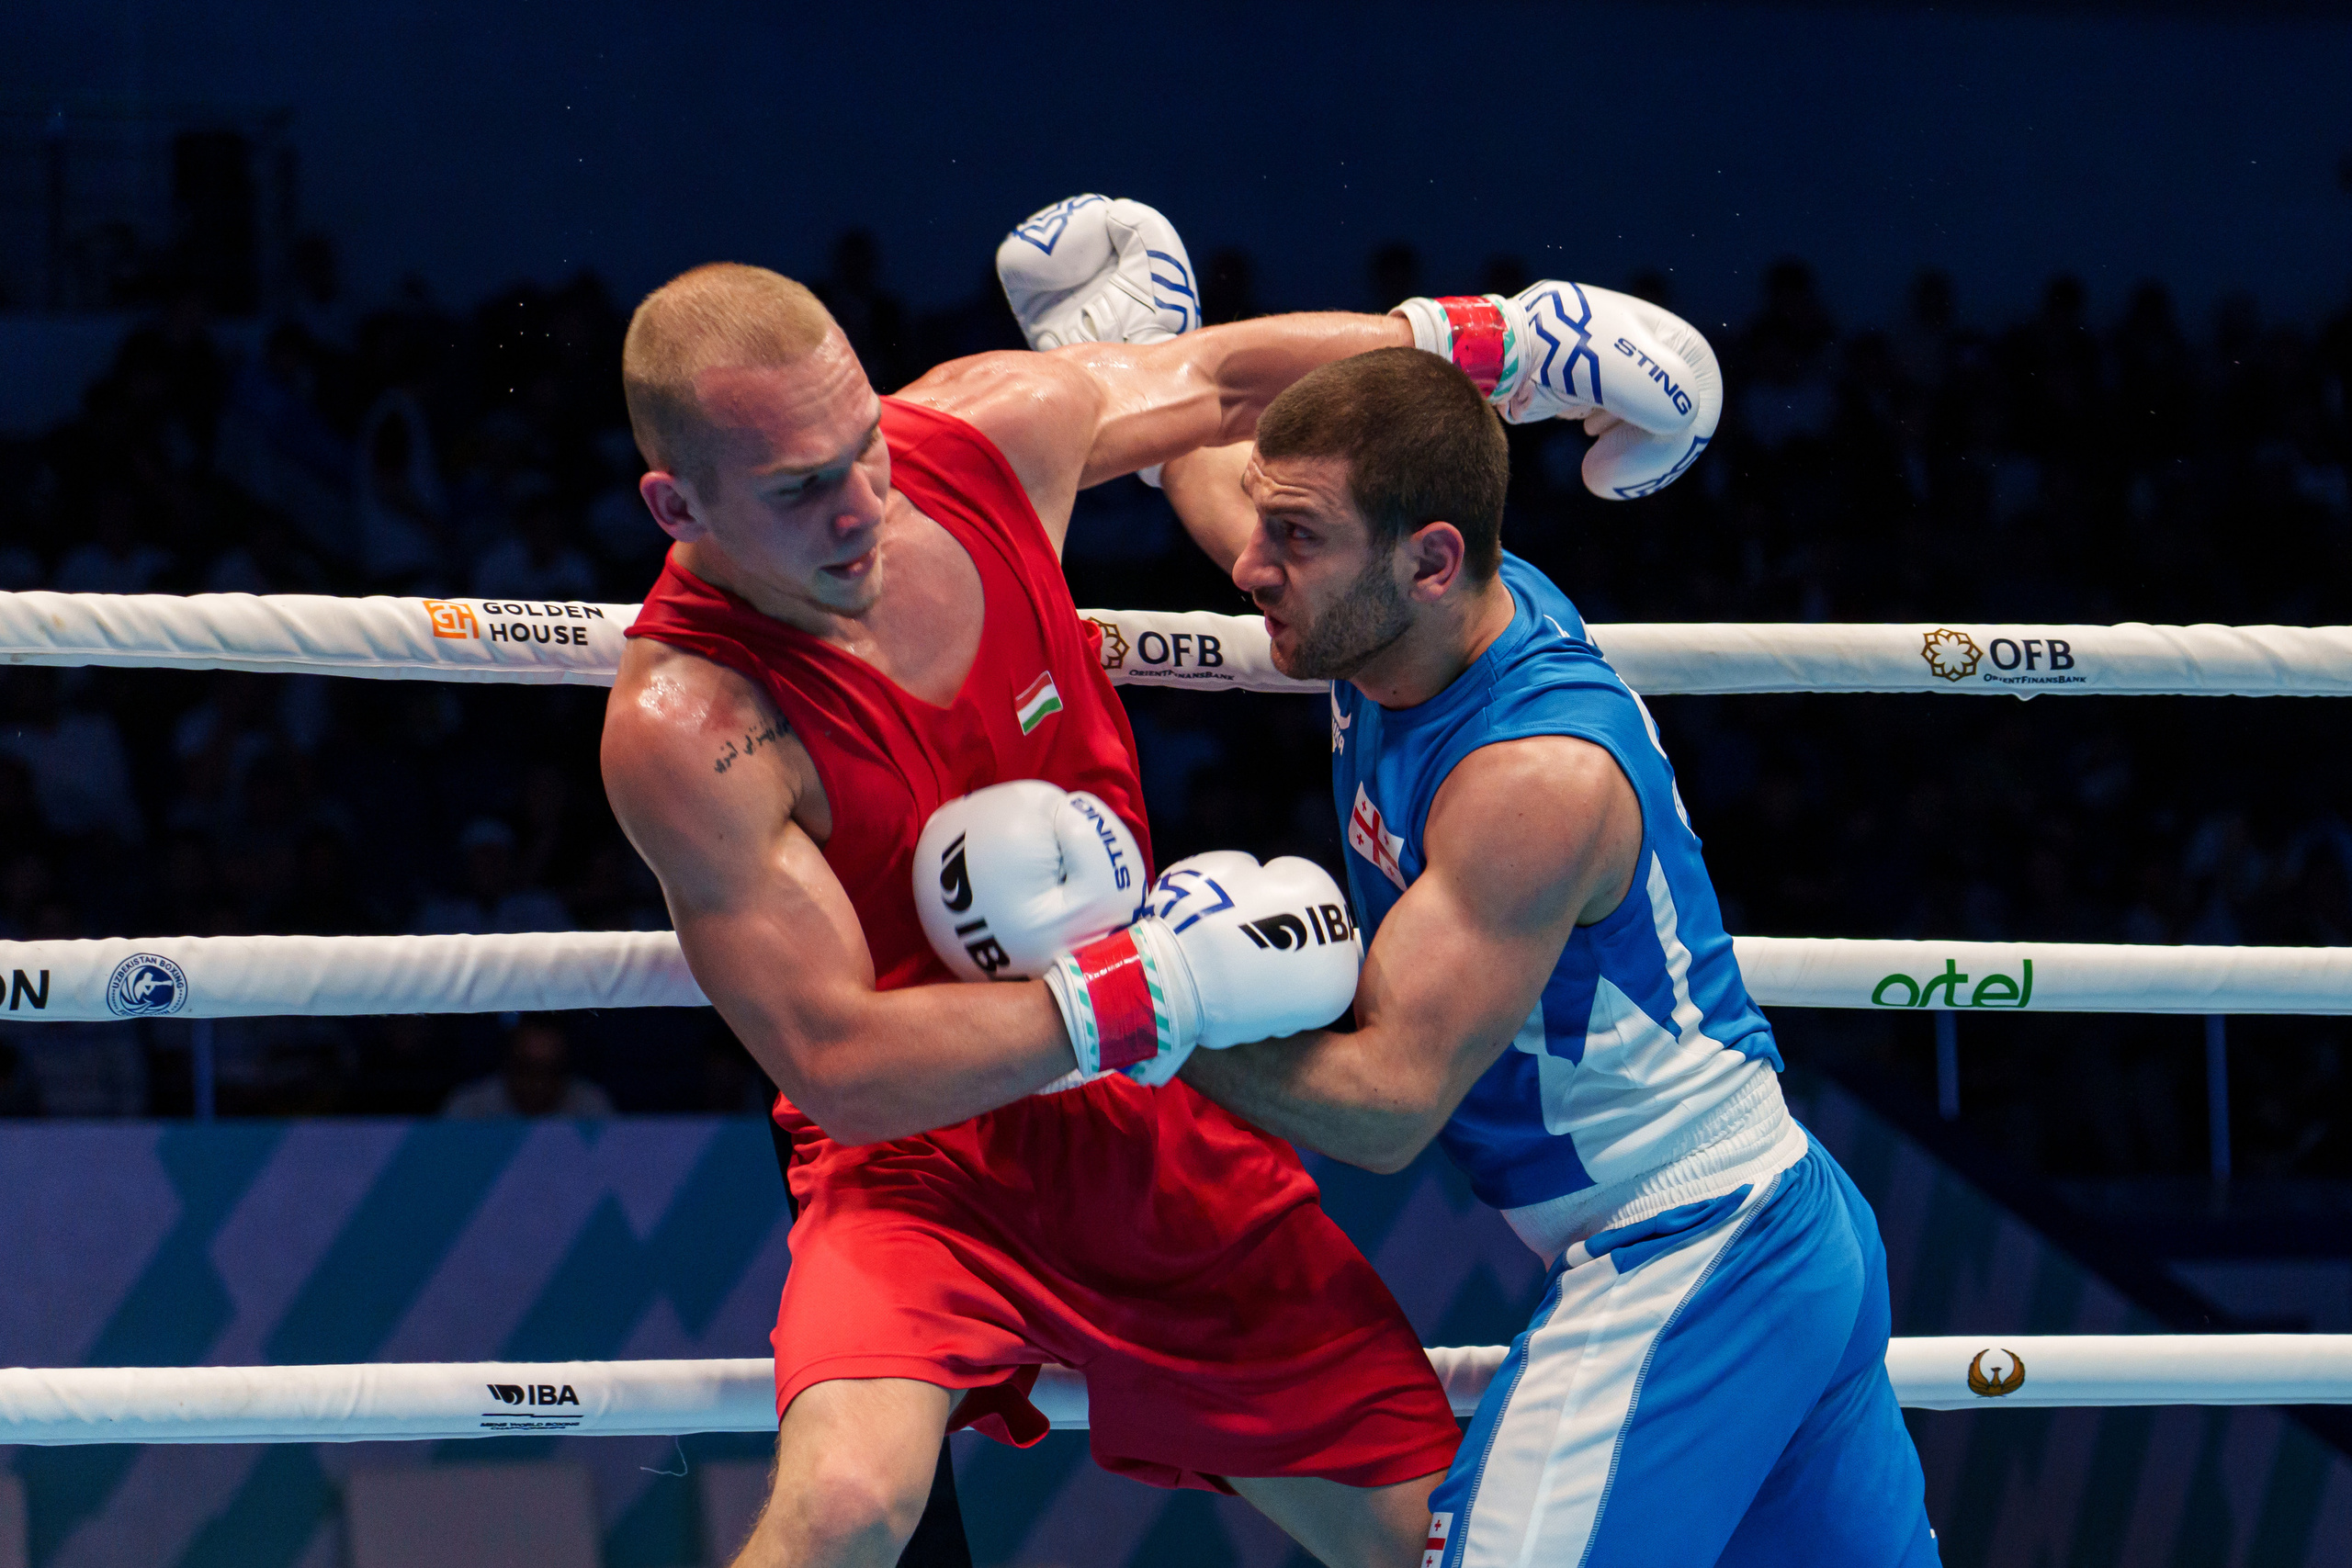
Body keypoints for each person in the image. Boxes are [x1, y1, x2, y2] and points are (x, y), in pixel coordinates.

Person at [597, 220, 1466, 1568]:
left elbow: (1232, 386)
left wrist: (1490, 342)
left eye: (865, 445)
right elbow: (839, 1063)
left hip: (1153, 1120)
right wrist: (1147, 990)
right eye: (799, 485)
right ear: (677, 507)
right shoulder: (692, 718)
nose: (861, 503)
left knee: (1432, 1545)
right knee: (841, 1512)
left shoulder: (978, 439)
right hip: (921, 1164)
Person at [1153, 347, 1939, 1564]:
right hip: (1767, 1232)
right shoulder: (1405, 607)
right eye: (1270, 531)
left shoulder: (1529, 778)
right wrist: (1141, 366)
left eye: (1295, 540)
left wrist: (1119, 1009)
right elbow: (1220, 473)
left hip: (1697, 1245)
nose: (1253, 569)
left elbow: (1382, 1107)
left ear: (1431, 561)